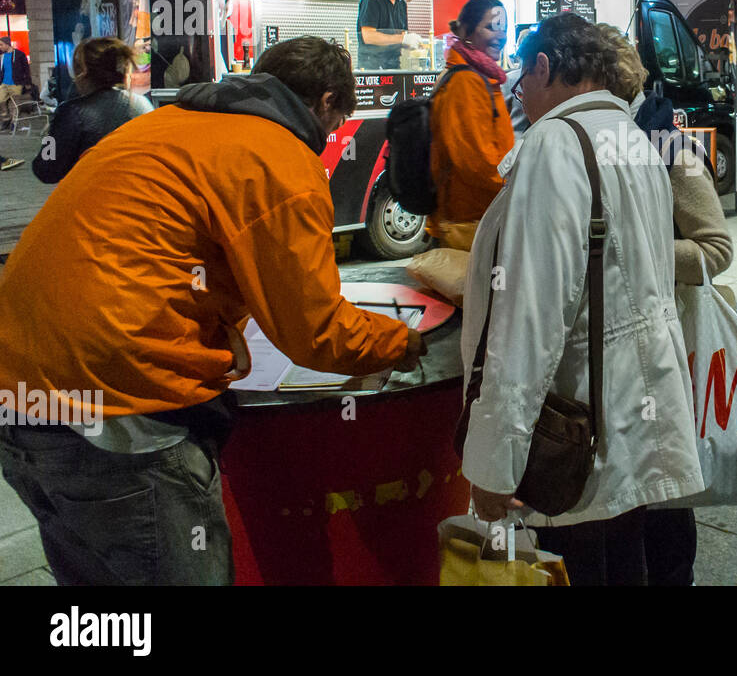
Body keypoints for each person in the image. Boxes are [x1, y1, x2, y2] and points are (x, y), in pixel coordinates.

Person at [0, 36, 425, 585]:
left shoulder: (164, 124)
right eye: (338, 119)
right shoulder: (278, 156)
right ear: (324, 103)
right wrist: (398, 341)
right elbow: (316, 330)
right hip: (120, 414)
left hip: (19, 397)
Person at [459, 13, 703, 586]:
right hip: (632, 421)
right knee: (623, 565)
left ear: (545, 66)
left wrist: (496, 461)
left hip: (577, 433)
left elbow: (530, 315)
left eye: (523, 75)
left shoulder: (555, 143)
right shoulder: (632, 140)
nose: (520, 93)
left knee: (583, 567)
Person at [605, 29, 731, 586]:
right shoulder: (597, 138)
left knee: (663, 480)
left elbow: (715, 250)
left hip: (664, 334)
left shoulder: (668, 144)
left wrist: (628, 244)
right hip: (617, 340)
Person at [427, 0, 515, 251]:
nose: (500, 36)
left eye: (504, 29)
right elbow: (476, 162)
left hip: (478, 216)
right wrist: (518, 185)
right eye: (491, 27)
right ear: (465, 31)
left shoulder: (480, 76)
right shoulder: (467, 81)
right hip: (468, 221)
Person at [33, 37, 153, 184]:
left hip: (94, 198)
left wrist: (49, 136)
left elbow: (46, 170)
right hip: (140, 194)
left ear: (82, 73)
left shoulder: (72, 111)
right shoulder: (143, 105)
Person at [355, 0, 427, 71]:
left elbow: (401, 34)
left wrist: (415, 44)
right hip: (372, 68)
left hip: (394, 66)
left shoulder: (401, 3)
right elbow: (369, 36)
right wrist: (403, 39)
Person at [0, 35, 33, 130]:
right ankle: (6, 118)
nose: (0, 47)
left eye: (1, 45)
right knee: (1, 100)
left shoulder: (19, 55)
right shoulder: (2, 55)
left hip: (16, 83)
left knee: (15, 104)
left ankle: (14, 123)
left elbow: (26, 69)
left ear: (7, 44)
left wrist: (27, 82)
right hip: (4, 83)